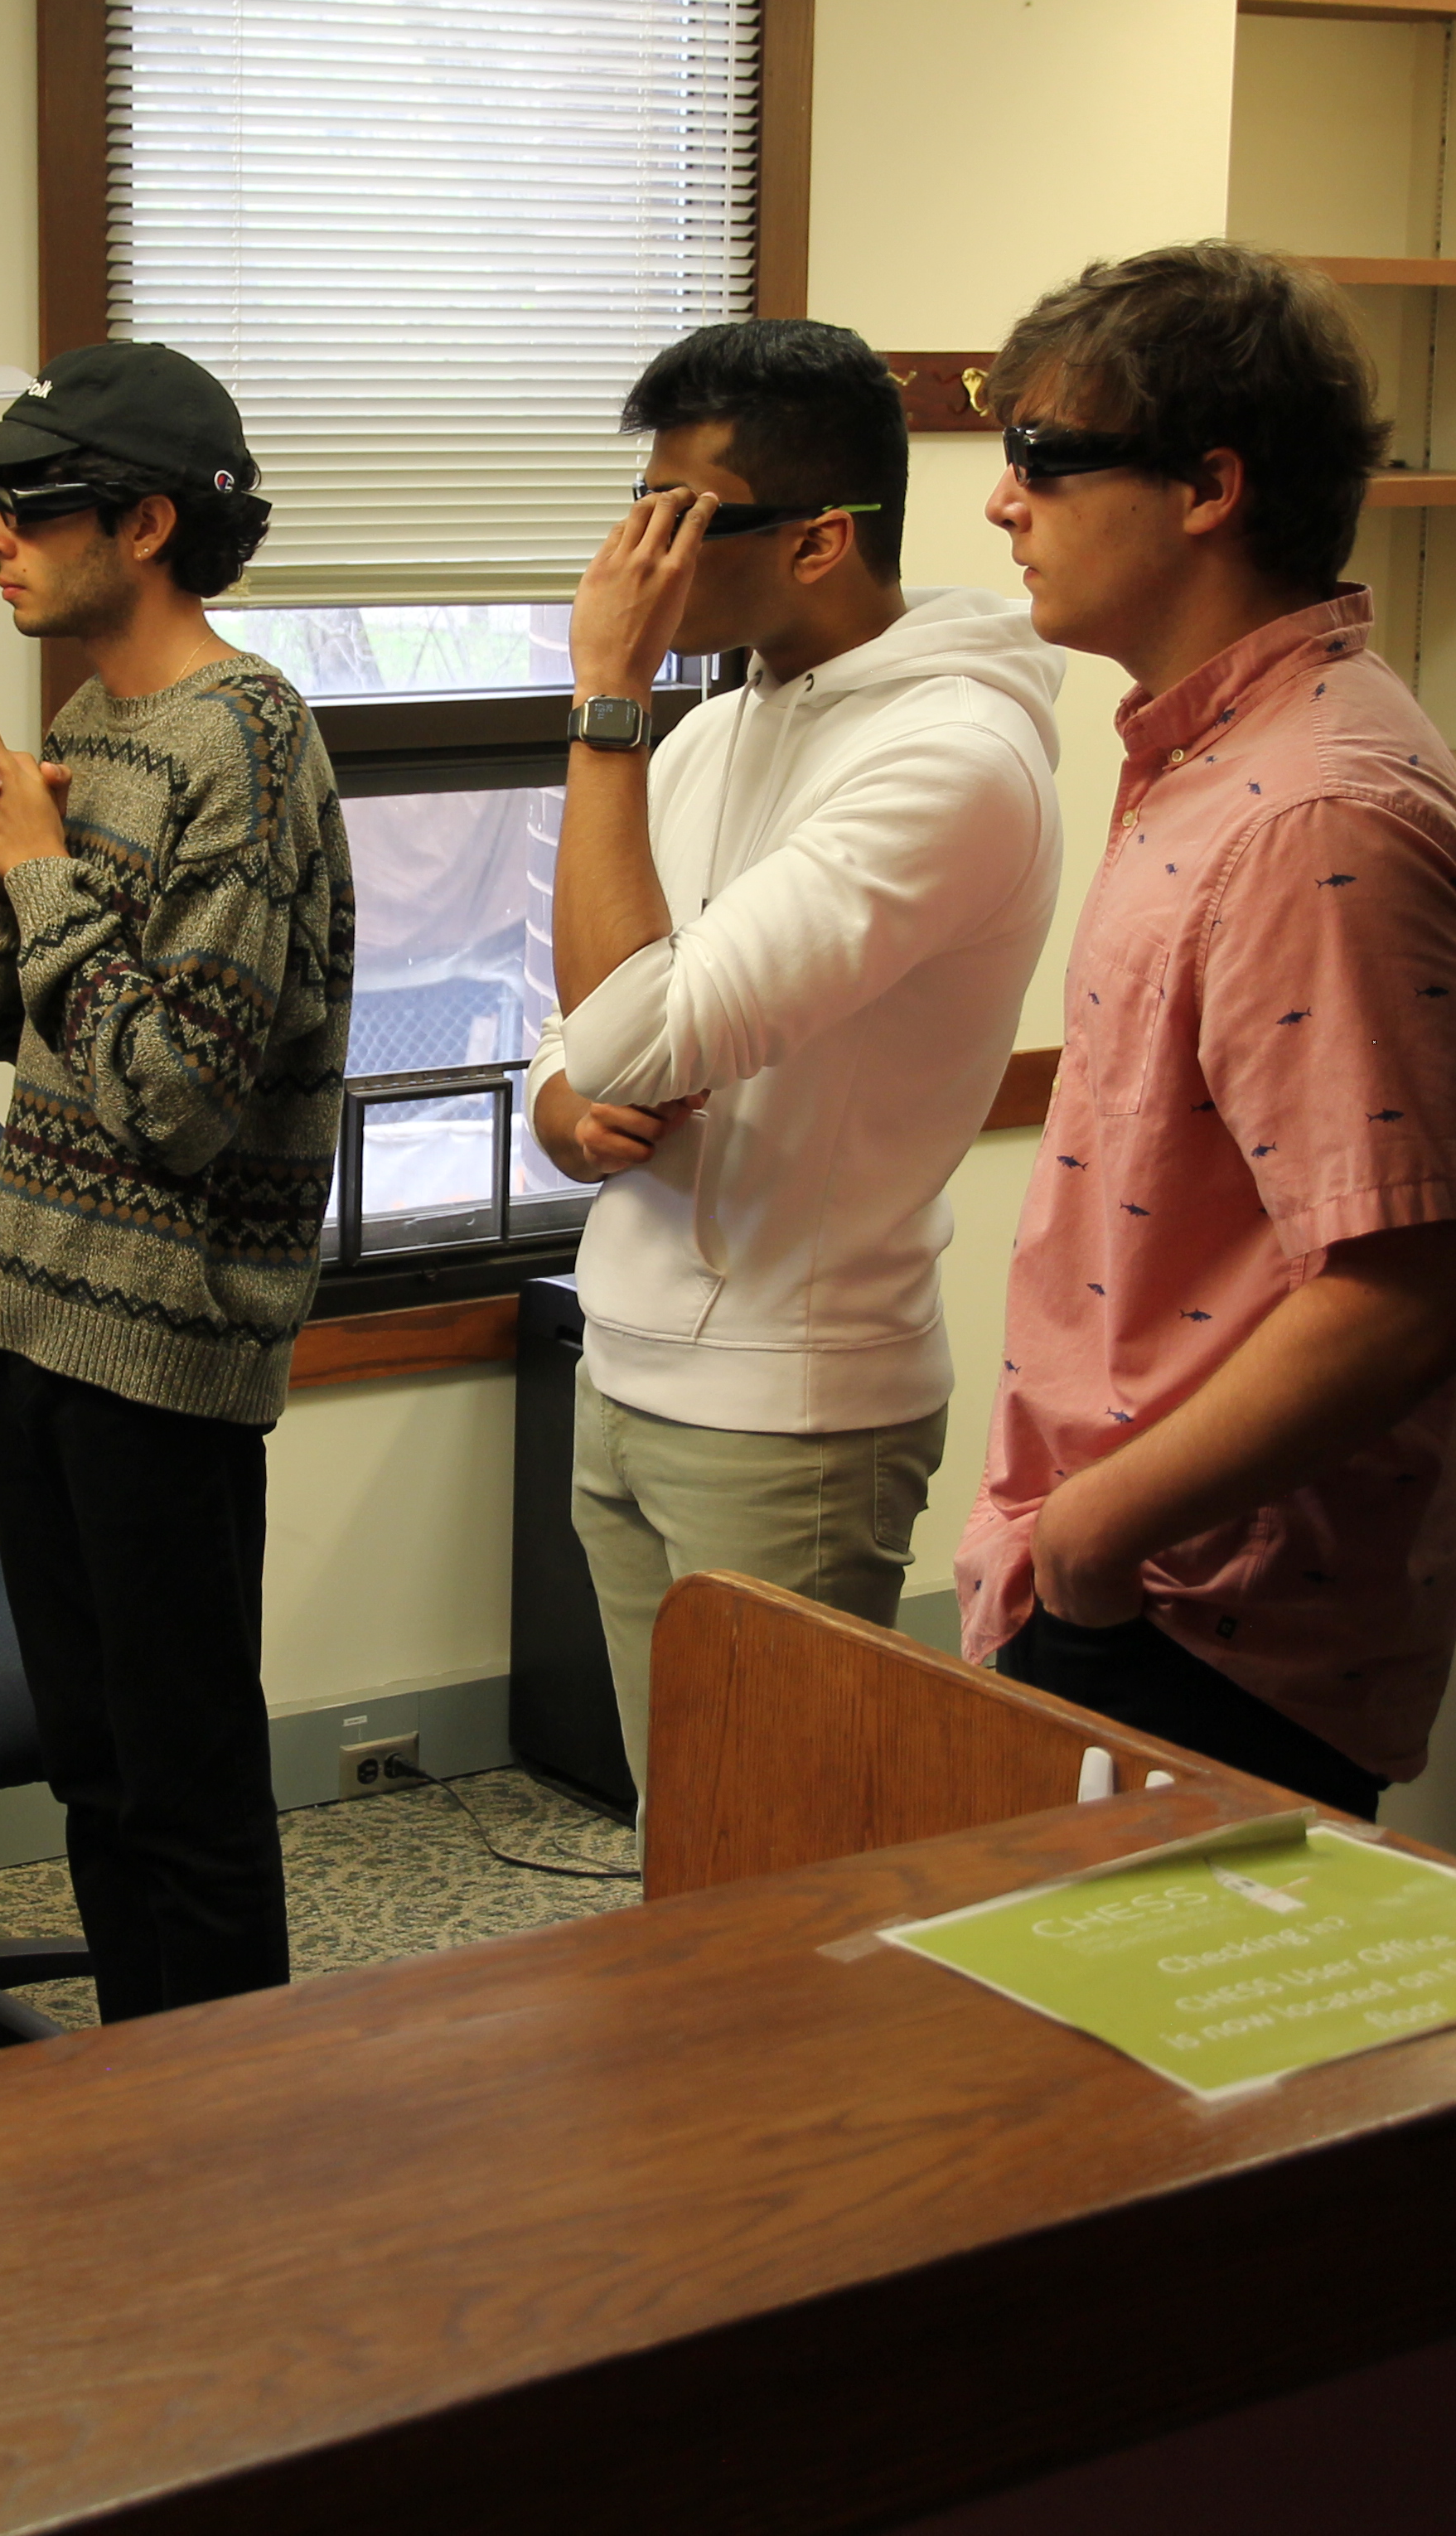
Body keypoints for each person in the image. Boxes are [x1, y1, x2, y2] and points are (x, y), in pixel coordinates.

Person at [945, 243, 1456, 1817]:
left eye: (1045, 460)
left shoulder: (1315, 813)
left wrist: (1097, 1542)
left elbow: (1401, 1291)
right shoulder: (1213, 757)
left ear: (1209, 486)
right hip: (1137, 1580)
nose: (1004, 502)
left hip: (1204, 1620)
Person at [525, 317, 1066, 1801]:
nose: (633, 560)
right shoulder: (715, 728)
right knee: (675, 1846)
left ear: (822, 539)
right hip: (624, 1357)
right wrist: (561, 1108)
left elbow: (635, 1020)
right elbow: (577, 1026)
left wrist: (603, 698)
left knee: (767, 1869)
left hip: (793, 1401)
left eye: (678, 519)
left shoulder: (950, 758)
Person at [0, 341, 352, 2021]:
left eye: (30, 508)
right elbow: (10, 1019)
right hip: (27, 1302)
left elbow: (176, 1096)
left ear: (146, 522)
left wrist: (36, 875)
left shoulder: (246, 743)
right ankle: (133, 2100)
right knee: (91, 1771)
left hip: (160, 1341)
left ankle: (223, 2154)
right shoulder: (101, 720)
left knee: (185, 1792)